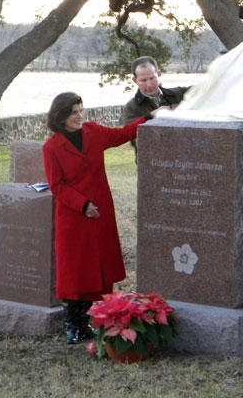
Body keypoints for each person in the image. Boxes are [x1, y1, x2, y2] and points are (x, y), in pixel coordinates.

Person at [43, 92, 157, 344]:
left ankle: (88, 323)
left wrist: (149, 117)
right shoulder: (52, 147)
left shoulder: (93, 132)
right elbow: (57, 186)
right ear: (61, 116)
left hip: (100, 215)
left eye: (81, 110)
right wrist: (82, 204)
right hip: (74, 218)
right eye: (74, 112)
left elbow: (123, 134)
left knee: (96, 271)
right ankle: (73, 325)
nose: (79, 116)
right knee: (75, 273)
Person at [122, 56, 189, 161]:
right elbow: (135, 137)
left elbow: (207, 90)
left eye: (152, 78)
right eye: (143, 80)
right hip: (153, 166)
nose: (149, 84)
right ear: (135, 80)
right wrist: (153, 117)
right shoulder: (131, 108)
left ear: (159, 74)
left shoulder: (179, 94)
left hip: (184, 162)